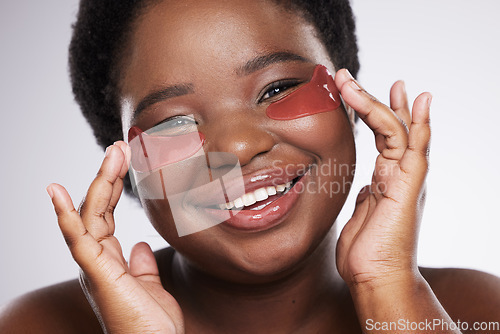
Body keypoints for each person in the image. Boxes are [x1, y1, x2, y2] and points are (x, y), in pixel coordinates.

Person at [1, 0, 499, 333]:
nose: (238, 146)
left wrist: (388, 288)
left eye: (277, 88)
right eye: (173, 122)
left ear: (351, 99)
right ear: (125, 167)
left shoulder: (476, 310)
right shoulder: (35, 324)